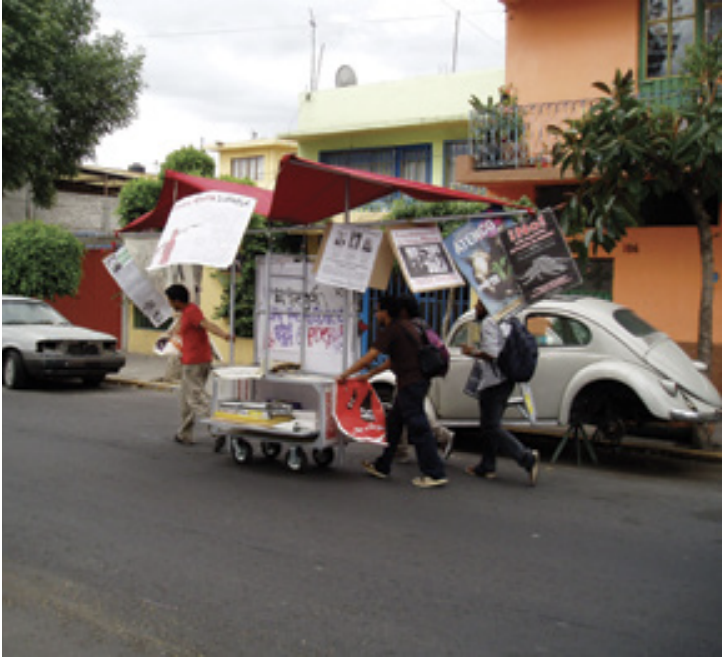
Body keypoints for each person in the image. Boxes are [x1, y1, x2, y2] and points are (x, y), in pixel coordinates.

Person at [338, 294, 448, 488]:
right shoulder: (407, 327)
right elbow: (393, 360)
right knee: (394, 424)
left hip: (411, 383)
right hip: (415, 381)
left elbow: (369, 357)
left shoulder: (393, 330)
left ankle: (434, 472)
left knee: (419, 427)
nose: (375, 314)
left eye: (378, 310)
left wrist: (345, 375)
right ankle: (383, 465)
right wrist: (370, 375)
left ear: (386, 312)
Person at [461, 299, 540, 485]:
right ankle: (487, 465)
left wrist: (472, 352)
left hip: (494, 381)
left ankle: (526, 458)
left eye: (479, 304)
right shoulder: (507, 319)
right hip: (507, 379)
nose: (475, 308)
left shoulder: (489, 322)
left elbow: (492, 354)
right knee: (490, 425)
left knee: (491, 426)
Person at [165, 284, 232, 447]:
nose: (168, 304)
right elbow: (180, 331)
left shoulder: (192, 312)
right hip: (193, 359)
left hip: (194, 362)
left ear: (177, 301)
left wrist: (224, 335)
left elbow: (206, 325)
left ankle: (218, 427)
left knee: (195, 398)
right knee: (185, 397)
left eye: (169, 300)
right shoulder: (186, 313)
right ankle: (184, 434)